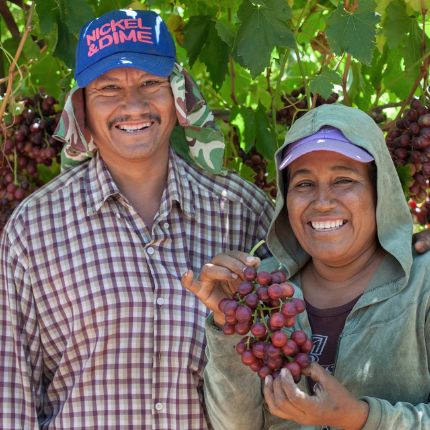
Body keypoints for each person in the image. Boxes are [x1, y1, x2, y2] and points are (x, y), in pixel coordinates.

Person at [0, 10, 274, 429]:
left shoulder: (242, 212)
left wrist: (406, 246)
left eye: (151, 83)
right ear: (82, 108)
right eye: (109, 88)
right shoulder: (34, 229)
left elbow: (307, 323)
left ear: (179, 95)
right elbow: (11, 400)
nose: (133, 105)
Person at [182, 104, 430, 430]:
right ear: (286, 200)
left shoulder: (422, 284)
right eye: (303, 184)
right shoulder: (264, 290)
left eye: (344, 179)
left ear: (379, 190)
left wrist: (359, 417)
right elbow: (236, 426)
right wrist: (228, 325)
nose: (323, 201)